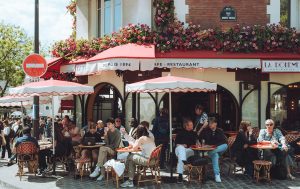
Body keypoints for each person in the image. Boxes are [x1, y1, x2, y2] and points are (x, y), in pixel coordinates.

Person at [199, 117, 228, 183]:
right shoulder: (206, 130)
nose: (210, 125)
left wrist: (213, 146)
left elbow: (224, 141)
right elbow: (199, 137)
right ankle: (217, 175)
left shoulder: (220, 130)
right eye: (209, 123)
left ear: (215, 124)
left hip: (218, 149)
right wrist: (203, 128)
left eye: (212, 123)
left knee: (225, 145)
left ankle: (210, 152)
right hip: (211, 150)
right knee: (215, 155)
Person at [175, 118, 198, 183]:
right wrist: (182, 145)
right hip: (179, 149)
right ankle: (183, 160)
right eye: (191, 125)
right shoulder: (180, 133)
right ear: (186, 126)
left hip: (189, 150)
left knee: (181, 157)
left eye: (192, 124)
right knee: (181, 148)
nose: (192, 126)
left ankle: (180, 176)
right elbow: (176, 144)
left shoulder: (194, 133)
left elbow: (196, 143)